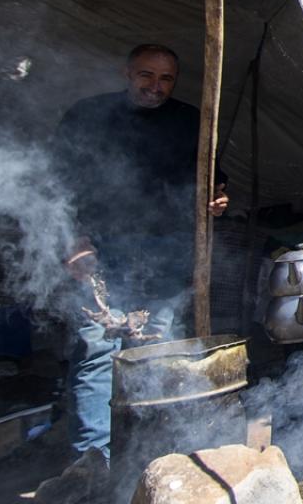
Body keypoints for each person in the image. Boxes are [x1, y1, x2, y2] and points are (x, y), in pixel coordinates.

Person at [50, 44, 228, 466]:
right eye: (147, 75)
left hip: (166, 257)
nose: (156, 86)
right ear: (127, 73)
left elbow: (212, 181)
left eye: (166, 79)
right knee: (96, 353)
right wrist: (72, 239)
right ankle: (94, 462)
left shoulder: (191, 121)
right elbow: (56, 183)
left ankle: (152, 455)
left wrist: (217, 200)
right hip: (99, 255)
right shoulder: (88, 116)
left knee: (159, 352)